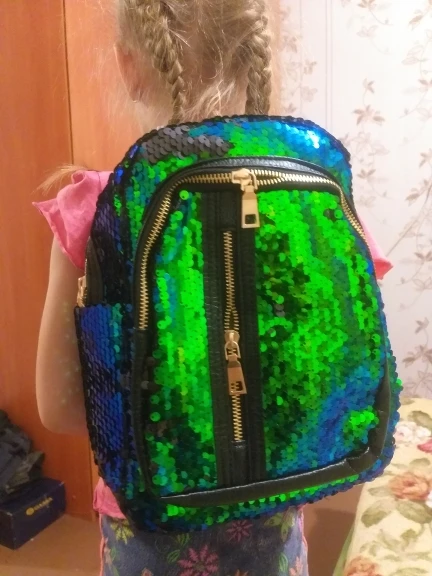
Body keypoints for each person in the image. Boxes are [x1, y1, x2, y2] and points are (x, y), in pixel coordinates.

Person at [35, 1, 393, 574]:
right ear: (258, 56)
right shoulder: (310, 202)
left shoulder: (93, 208)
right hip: (278, 517)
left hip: (152, 528)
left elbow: (58, 408)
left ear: (128, 64)